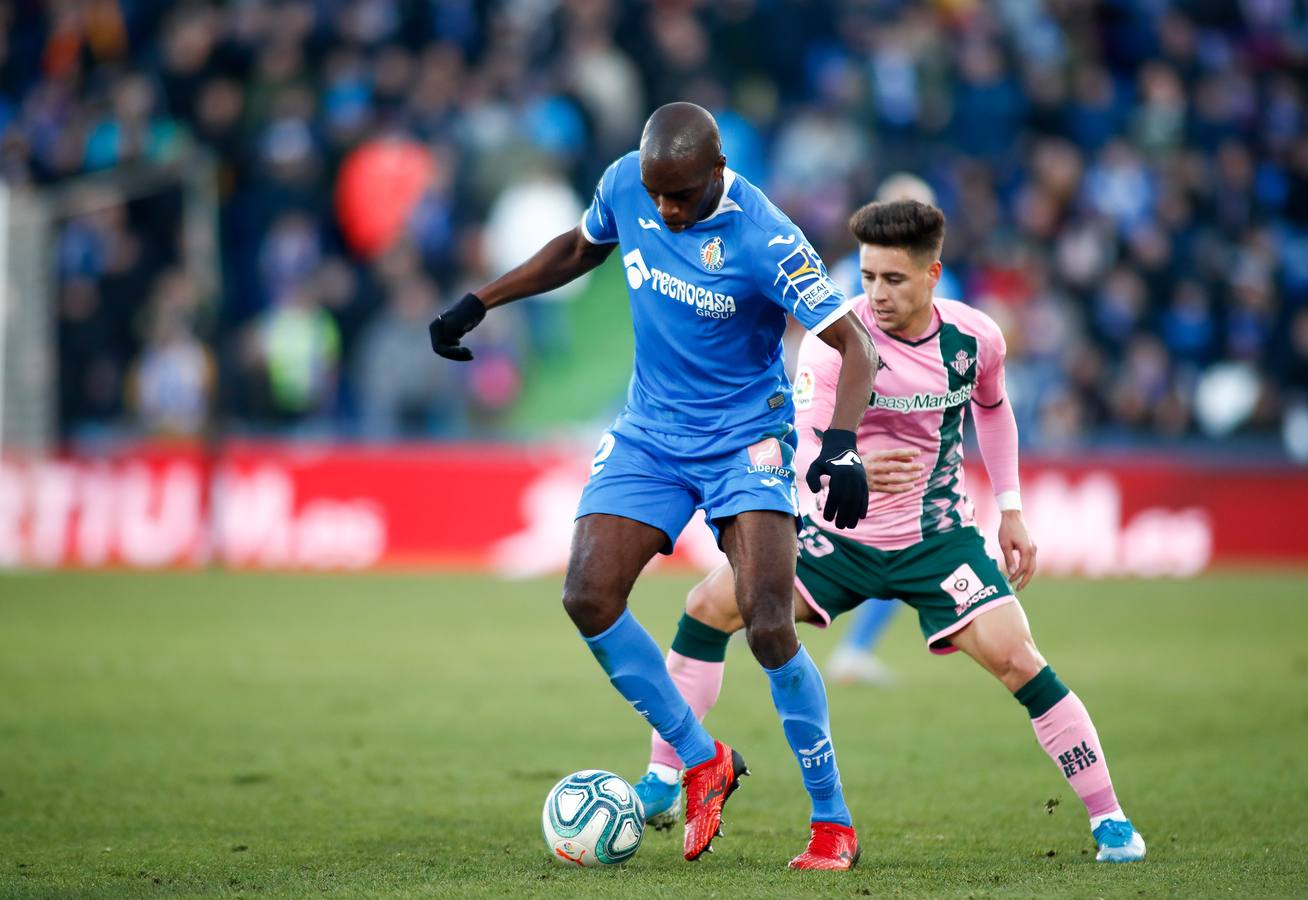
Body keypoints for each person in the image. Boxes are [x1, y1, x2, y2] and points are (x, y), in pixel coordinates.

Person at [429, 102, 879, 867]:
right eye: (655, 192)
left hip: (746, 441)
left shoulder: (766, 235)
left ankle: (832, 821)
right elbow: (580, 247)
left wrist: (840, 445)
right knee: (587, 594)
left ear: (716, 174)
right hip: (652, 433)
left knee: (769, 621)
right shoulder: (625, 184)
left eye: (681, 195)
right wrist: (482, 302)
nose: (664, 208)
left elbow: (855, 345)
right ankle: (702, 758)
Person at [639, 199, 1147, 864]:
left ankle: (1110, 820)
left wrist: (1013, 508)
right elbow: (800, 450)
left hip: (936, 540)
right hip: (834, 540)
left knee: (1020, 660)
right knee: (707, 605)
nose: (875, 293)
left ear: (933, 274)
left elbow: (993, 412)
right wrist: (844, 465)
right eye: (868, 276)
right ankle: (662, 774)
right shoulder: (834, 344)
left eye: (893, 279)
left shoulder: (976, 339)